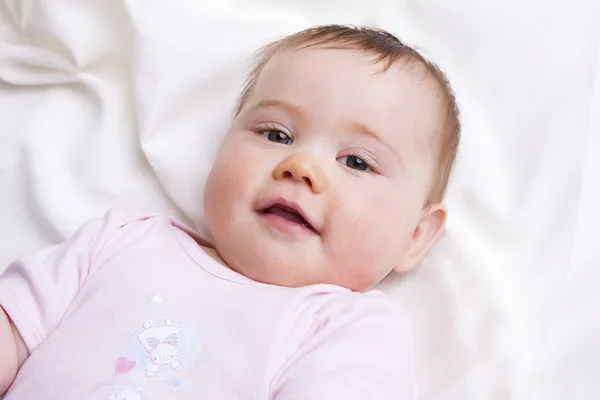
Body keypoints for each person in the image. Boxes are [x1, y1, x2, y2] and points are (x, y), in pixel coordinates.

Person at [0, 25, 460, 399]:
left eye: (356, 162)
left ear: (417, 236)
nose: (301, 168)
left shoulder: (350, 331)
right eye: (276, 134)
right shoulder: (120, 241)